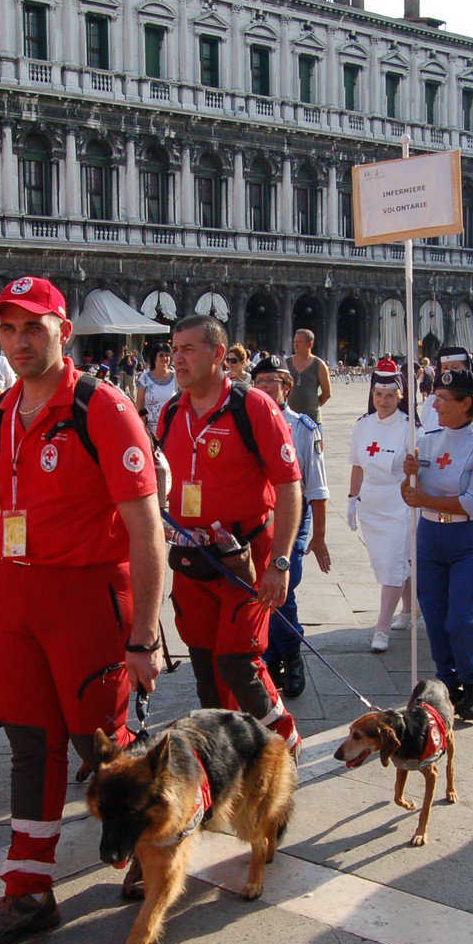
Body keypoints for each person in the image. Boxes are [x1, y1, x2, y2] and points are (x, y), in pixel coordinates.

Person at [0, 276, 165, 944]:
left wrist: (144, 635)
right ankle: (27, 890)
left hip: (87, 595)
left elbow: (146, 528)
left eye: (33, 328)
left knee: (100, 745)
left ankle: (146, 843)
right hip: (15, 595)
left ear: (64, 331)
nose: (18, 342)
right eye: (8, 329)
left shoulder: (103, 407)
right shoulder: (0, 412)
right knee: (29, 741)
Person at [158, 314, 302, 751]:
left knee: (238, 661)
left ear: (219, 355)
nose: (176, 359)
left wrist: (280, 563)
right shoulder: (168, 412)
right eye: (173, 349)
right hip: (192, 558)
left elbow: (289, 486)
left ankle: (285, 743)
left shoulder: (253, 407)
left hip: (246, 556)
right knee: (204, 663)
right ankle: (223, 751)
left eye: (187, 350)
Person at [402, 368, 473, 720]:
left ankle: (472, 679)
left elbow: (472, 502)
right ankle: (447, 681)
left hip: (468, 538)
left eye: (444, 399)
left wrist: (423, 496)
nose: (436, 403)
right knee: (435, 615)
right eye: (436, 397)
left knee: (461, 617)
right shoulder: (426, 440)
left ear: (466, 404)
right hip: (430, 536)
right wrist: (408, 473)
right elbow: (410, 495)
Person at [250, 357, 331, 697]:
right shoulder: (244, 422)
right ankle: (274, 656)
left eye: (273, 380)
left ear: (287, 386)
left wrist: (320, 536)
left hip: (292, 518)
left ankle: (291, 655)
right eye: (261, 380)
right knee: (260, 590)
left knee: (283, 588)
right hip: (257, 519)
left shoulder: (303, 428)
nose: (266, 386)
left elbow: (316, 487)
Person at [347, 366, 416, 650]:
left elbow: (416, 470)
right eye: (378, 394)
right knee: (392, 562)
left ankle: (382, 628)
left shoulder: (410, 427)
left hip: (399, 501)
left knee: (392, 564)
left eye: (389, 395)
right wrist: (352, 499)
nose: (383, 401)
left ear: (400, 396)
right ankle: (410, 610)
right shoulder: (364, 424)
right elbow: (357, 464)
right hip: (371, 503)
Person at [285, 328, 333, 422]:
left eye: (299, 342)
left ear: (310, 344)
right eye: (294, 341)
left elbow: (327, 393)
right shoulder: (286, 363)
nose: (296, 345)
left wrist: (313, 405)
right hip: (289, 417)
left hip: (312, 418)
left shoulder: (319, 365)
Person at [134, 341, 177, 431]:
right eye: (161, 355)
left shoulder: (176, 377)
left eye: (167, 355)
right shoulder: (145, 377)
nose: (165, 358)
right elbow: (140, 402)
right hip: (150, 427)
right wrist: (143, 423)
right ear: (154, 358)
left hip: (171, 425)